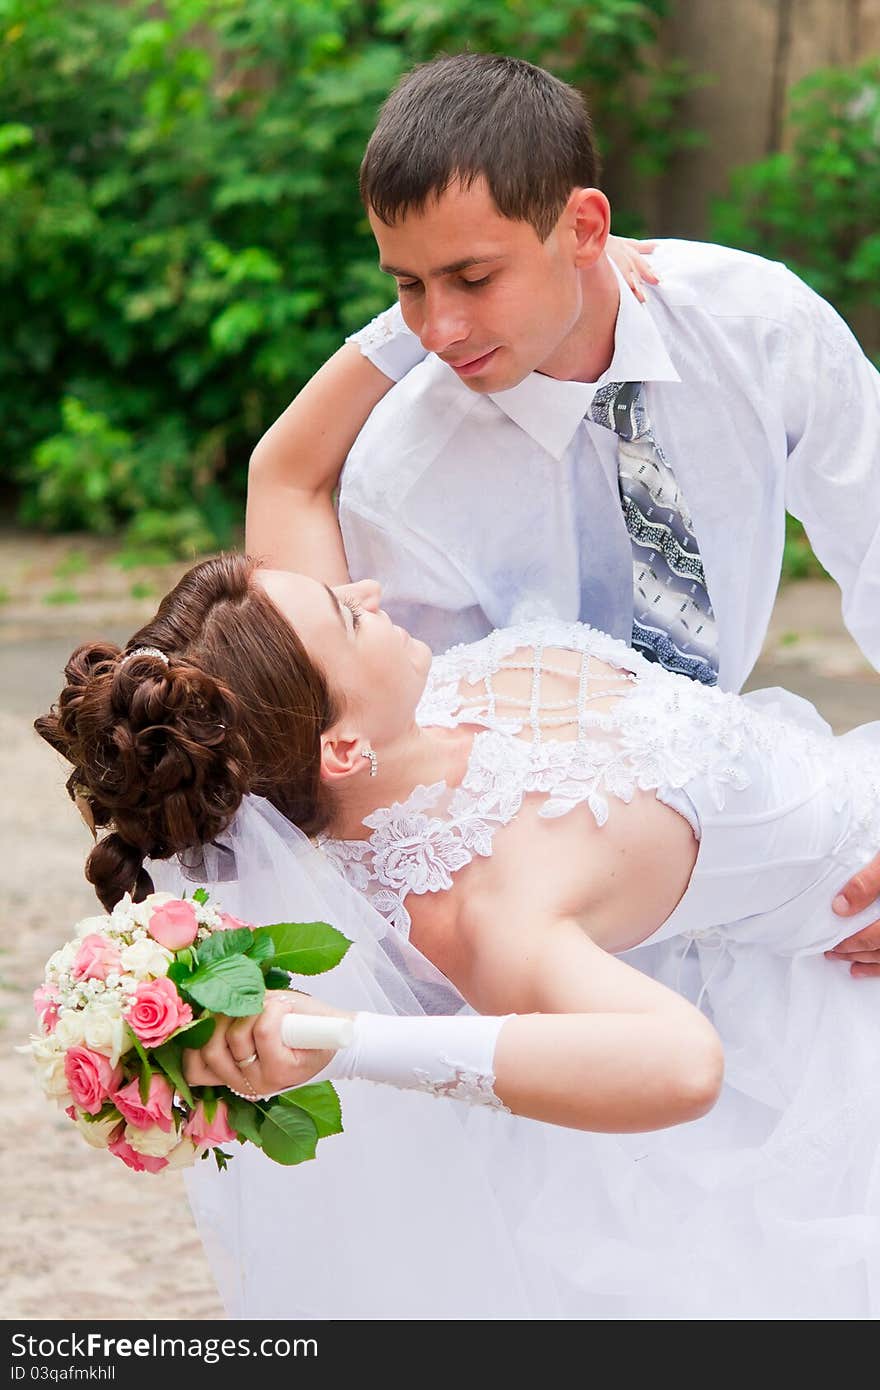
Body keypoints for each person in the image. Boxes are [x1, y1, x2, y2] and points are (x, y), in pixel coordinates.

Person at [36, 555, 880, 1319]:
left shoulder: (386, 710)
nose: (368, 591)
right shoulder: (483, 911)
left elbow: (286, 471)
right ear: (341, 748)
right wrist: (344, 1042)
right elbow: (685, 1066)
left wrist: (396, 368)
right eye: (349, 615)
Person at [246, 51, 880, 970]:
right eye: (408, 286)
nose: (438, 330)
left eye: (472, 277)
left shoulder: (758, 328)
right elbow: (418, 783)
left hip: (747, 809)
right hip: (559, 909)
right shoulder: (404, 473)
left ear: (584, 226)